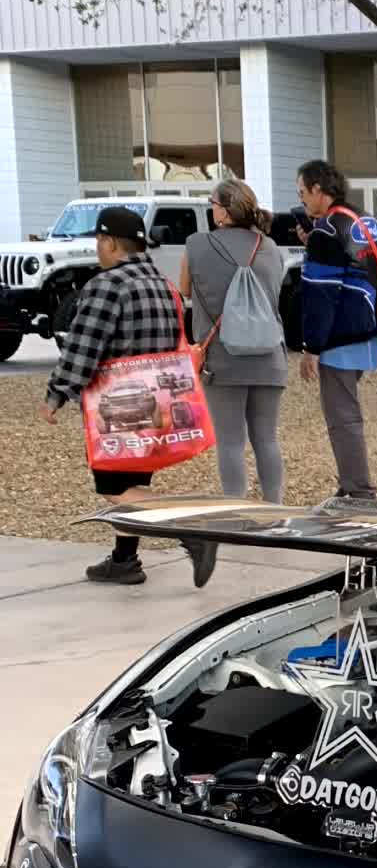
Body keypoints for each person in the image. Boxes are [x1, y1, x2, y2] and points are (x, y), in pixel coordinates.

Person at [40, 206, 182, 586]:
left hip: (116, 405)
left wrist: (56, 394)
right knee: (135, 482)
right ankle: (124, 560)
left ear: (110, 243)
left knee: (114, 487)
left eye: (99, 241)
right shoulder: (162, 284)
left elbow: (83, 348)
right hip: (156, 401)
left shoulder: (107, 285)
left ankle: (191, 531)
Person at [179, 177, 287, 502]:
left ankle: (236, 509)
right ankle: (275, 508)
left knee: (230, 442)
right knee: (267, 439)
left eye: (212, 203)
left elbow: (184, 289)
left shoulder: (197, 244)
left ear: (224, 211)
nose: (211, 209)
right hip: (269, 356)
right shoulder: (270, 247)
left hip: (221, 359)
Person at [296, 158, 377, 499]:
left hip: (338, 337)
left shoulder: (326, 231)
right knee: (346, 410)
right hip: (369, 327)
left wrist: (311, 347)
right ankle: (352, 485)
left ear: (318, 189)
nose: (302, 200)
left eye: (303, 193)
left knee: (342, 416)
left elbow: (320, 294)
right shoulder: (364, 221)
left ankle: (358, 491)